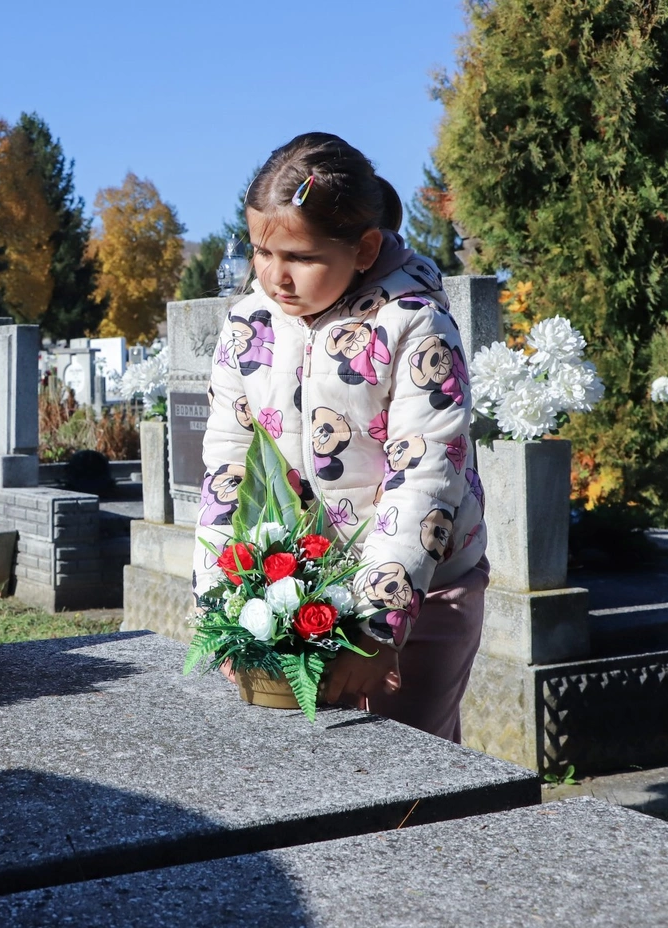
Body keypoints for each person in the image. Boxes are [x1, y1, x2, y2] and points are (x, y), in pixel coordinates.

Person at [193, 132, 488, 742]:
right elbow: (226, 468)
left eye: (300, 257)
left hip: (422, 593)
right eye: (260, 252)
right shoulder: (248, 324)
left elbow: (426, 474)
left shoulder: (414, 323)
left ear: (364, 248)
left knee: (414, 776)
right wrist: (221, 602)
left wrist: (380, 627)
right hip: (297, 590)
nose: (277, 277)